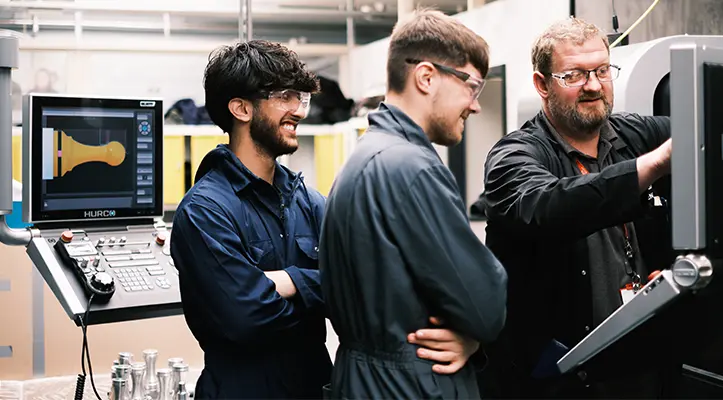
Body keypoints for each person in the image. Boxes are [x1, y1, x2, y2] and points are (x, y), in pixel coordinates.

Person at [171, 39, 487, 399]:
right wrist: (325, 287)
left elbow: (369, 284)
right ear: (241, 108)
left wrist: (290, 282)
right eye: (285, 97)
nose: (300, 111)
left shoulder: (309, 201)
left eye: (300, 98)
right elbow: (244, 318)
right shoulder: (204, 212)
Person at [477, 17, 678, 399]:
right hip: (559, 379)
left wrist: (670, 267)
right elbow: (548, 206)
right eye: (575, 75)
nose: (593, 85)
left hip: (642, 366)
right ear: (541, 84)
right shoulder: (514, 156)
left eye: (602, 70)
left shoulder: (635, 135)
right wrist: (651, 166)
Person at [319, 9, 509, 399]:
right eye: (472, 86)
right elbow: (485, 308)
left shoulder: (366, 157)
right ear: (426, 77)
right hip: (411, 385)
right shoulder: (413, 168)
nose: (474, 105)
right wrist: (473, 335)